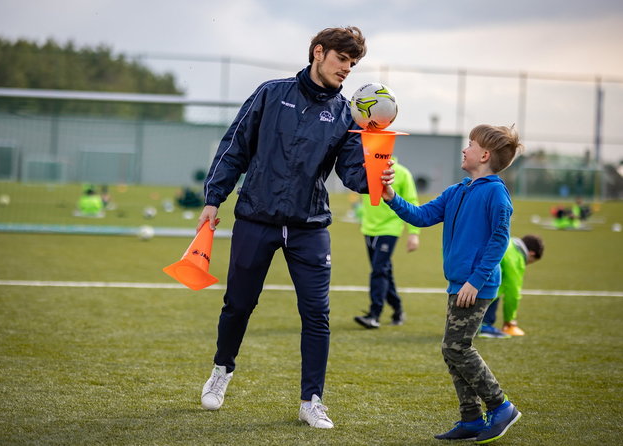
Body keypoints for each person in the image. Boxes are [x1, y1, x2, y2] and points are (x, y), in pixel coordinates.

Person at [196, 26, 368, 429]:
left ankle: (312, 400)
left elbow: (354, 175)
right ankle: (221, 372)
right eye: (341, 59)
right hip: (256, 217)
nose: (346, 69)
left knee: (317, 314)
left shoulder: (345, 114)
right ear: (319, 53)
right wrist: (213, 199)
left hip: (309, 227)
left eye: (353, 63)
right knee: (238, 304)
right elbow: (234, 145)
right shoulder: (270, 93)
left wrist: (378, 169)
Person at [381, 124, 524, 443]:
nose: (464, 149)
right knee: (452, 349)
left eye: (470, 144)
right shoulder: (457, 191)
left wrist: (476, 281)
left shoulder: (495, 192)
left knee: (457, 346)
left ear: (484, 155)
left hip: (477, 286)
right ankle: (471, 418)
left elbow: (500, 238)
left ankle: (501, 406)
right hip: (458, 284)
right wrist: (391, 196)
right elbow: (420, 216)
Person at [354, 159, 420, 329]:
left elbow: (412, 201)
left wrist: (414, 234)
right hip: (368, 228)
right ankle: (398, 309)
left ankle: (374, 315)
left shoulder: (402, 173)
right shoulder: (367, 169)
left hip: (390, 228)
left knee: (378, 270)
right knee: (383, 271)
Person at [479, 234, 545, 338]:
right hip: (480, 290)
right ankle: (484, 325)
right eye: (531, 261)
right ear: (531, 253)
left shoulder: (508, 242)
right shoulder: (516, 258)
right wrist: (509, 320)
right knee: (498, 287)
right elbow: (512, 294)